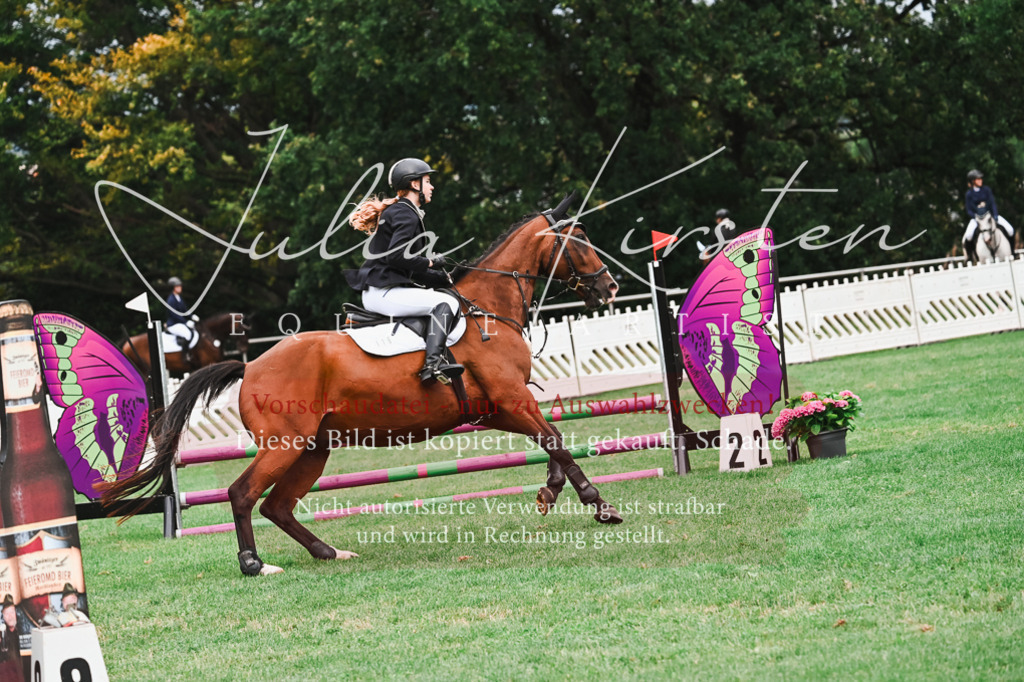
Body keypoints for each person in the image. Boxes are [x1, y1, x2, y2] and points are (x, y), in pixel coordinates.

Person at [345, 158, 464, 384]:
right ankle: (433, 365)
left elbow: (413, 271)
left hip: (384, 290)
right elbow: (396, 256)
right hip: (383, 293)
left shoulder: (405, 211)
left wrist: (445, 278)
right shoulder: (405, 213)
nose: (432, 187)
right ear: (415, 185)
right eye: (428, 181)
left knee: (445, 298)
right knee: (447, 305)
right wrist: (430, 262)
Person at [963, 169, 1014, 261]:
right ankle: (970, 257)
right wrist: (975, 217)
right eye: (978, 179)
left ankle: (1013, 252)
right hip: (977, 218)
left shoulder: (986, 190)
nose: (980, 180)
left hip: (990, 216)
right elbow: (969, 209)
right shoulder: (969, 194)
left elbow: (992, 203)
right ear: (973, 181)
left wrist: (995, 215)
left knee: (1010, 229)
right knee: (969, 235)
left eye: (981, 179)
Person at [165, 276, 197, 351]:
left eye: (180, 286)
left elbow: (184, 310)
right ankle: (185, 355)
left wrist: (192, 316)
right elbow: (174, 315)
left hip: (179, 323)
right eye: (177, 286)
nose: (180, 288)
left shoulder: (178, 298)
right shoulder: (171, 300)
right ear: (173, 288)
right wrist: (186, 322)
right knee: (188, 335)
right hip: (174, 324)